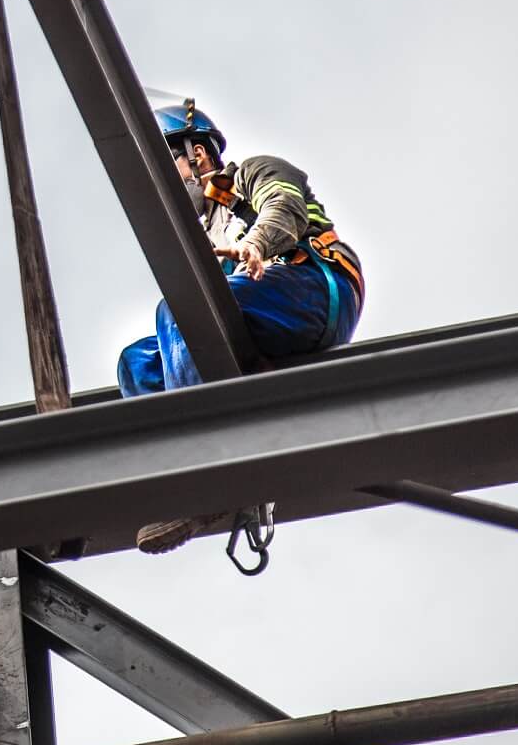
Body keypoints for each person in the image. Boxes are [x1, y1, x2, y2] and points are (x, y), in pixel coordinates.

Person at [119, 99, 365, 553]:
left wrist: (255, 245)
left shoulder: (251, 173)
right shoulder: (206, 232)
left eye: (166, 163)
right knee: (137, 362)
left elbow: (282, 207)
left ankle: (205, 466)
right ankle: (181, 468)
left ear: (197, 154)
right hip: (261, 319)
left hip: (314, 287)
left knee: (178, 310)